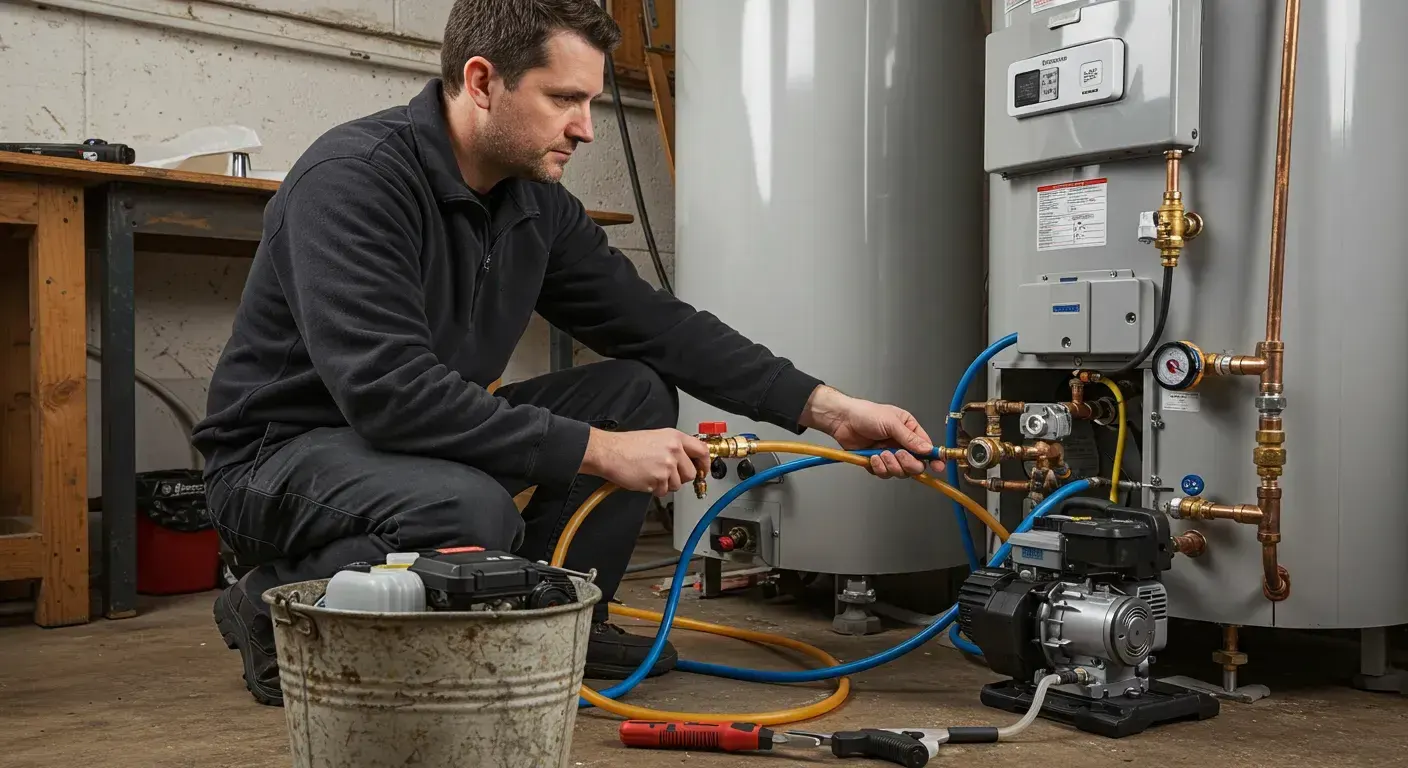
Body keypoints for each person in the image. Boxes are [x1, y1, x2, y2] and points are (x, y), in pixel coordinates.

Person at [193, 0, 945, 707]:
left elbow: (661, 327)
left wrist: (829, 408)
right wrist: (600, 452)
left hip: (400, 451)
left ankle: (558, 618)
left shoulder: (533, 205)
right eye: (564, 100)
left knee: (635, 391)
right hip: (276, 463)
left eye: (590, 103)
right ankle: (269, 608)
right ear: (482, 81)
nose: (585, 128)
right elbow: (390, 391)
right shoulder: (355, 180)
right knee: (468, 507)